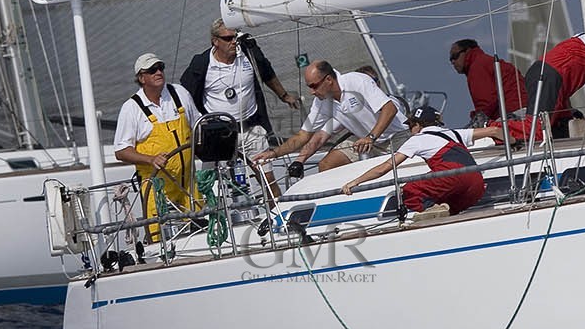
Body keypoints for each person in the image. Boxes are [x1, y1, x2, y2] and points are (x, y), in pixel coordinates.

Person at [251, 60, 406, 175]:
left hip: (396, 137)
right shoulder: (322, 102)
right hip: (365, 142)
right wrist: (275, 154)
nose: (311, 92)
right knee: (326, 165)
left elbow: (389, 108)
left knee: (402, 173)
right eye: (309, 87)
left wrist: (370, 137)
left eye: (314, 86)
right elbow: (305, 135)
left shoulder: (356, 81)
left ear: (329, 80)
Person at [178, 20, 299, 166]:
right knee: (218, 179)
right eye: (228, 38)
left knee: (267, 178)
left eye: (235, 37)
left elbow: (267, 73)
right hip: (219, 132)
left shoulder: (248, 54)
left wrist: (284, 96)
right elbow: (185, 94)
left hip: (251, 128)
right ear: (215, 41)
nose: (234, 42)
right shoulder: (202, 63)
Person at [339, 106, 485, 221]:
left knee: (408, 191)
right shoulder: (454, 133)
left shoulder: (418, 139)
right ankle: (441, 209)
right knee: (449, 207)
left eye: (410, 126)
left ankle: (431, 211)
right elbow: (493, 130)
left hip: (453, 176)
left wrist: (356, 182)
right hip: (477, 183)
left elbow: (384, 168)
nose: (409, 130)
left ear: (418, 125)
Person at [113, 54, 202, 243]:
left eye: (160, 67)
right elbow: (121, 151)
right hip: (156, 189)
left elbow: (199, 126)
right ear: (141, 78)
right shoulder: (131, 108)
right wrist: (151, 159)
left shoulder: (179, 93)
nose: (159, 72)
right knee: (157, 240)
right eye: (152, 70)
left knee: (200, 233)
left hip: (188, 183)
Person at [524, 34, 585, 137]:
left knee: (564, 125)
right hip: (549, 76)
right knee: (538, 131)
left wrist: (570, 109)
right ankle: (493, 129)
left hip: (549, 74)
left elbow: (566, 78)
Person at [448, 38, 527, 125]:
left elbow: (486, 103)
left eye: (455, 56)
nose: (453, 61)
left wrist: (476, 120)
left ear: (467, 51)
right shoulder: (486, 61)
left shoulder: (477, 66)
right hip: (524, 112)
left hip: (511, 115)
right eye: (451, 59)